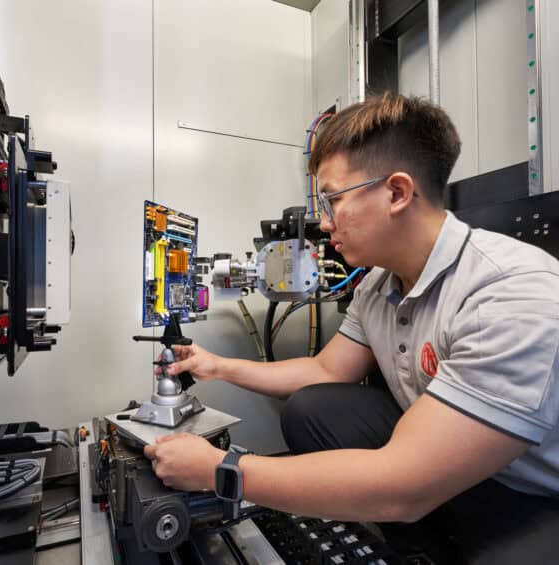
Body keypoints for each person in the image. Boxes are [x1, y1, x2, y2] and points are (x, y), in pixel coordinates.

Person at [143, 92, 559, 563]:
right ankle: (418, 546)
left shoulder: (508, 296)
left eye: (332, 201)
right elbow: (324, 370)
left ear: (397, 193)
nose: (322, 224)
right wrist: (216, 366)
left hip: (531, 493)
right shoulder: (379, 283)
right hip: (443, 460)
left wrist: (222, 469)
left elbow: (404, 484)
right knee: (313, 409)